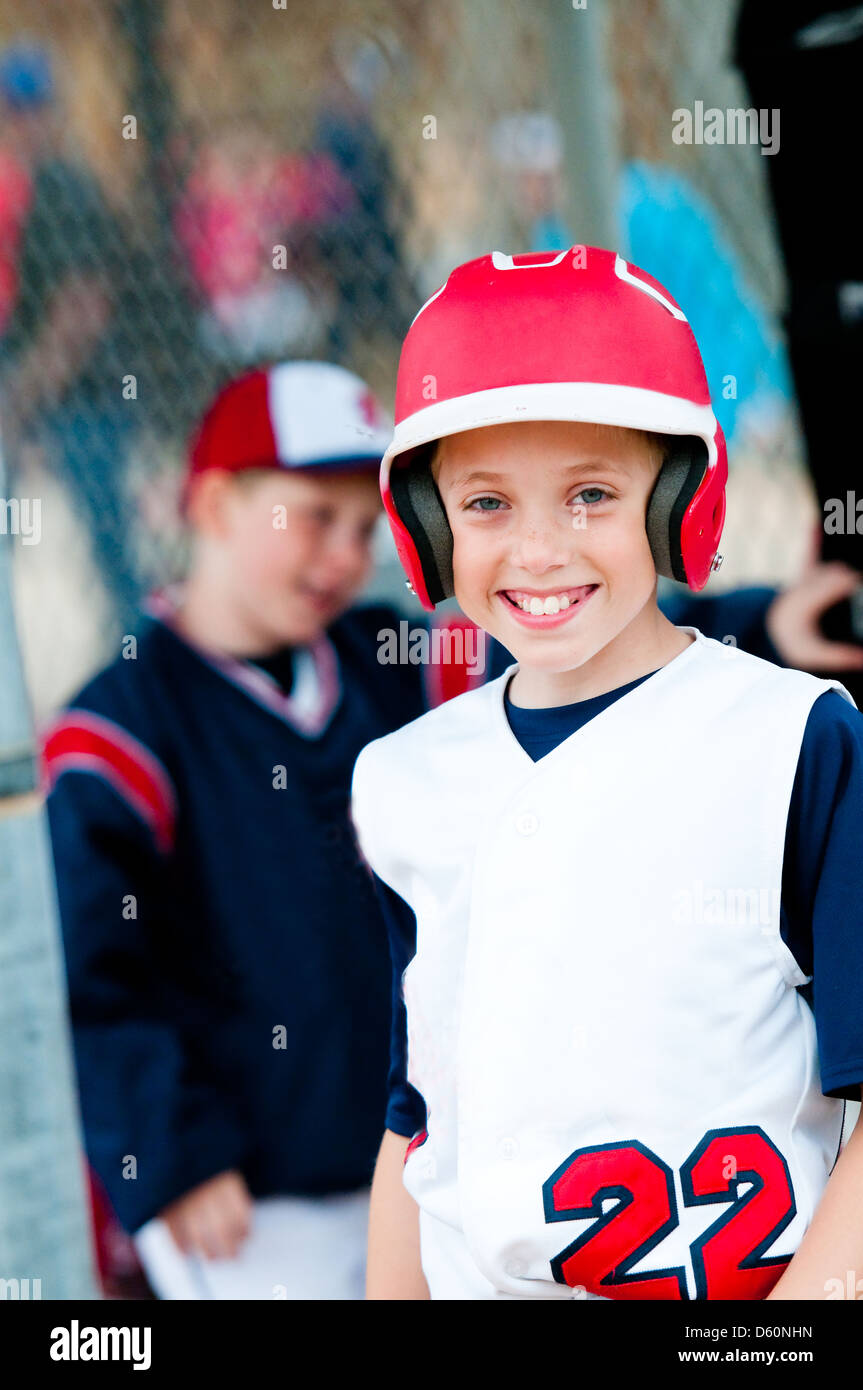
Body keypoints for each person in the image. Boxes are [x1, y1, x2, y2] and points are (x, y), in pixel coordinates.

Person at [351, 247, 863, 1300]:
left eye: (589, 493)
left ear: (682, 498)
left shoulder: (790, 742)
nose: (537, 550)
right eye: (484, 504)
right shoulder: (404, 784)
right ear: (427, 523)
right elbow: (417, 1122)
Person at [43, 360, 429, 1300]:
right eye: (312, 518)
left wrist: (760, 624)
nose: (344, 556)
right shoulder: (123, 724)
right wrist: (168, 1152)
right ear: (214, 507)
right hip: (250, 1200)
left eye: (363, 527)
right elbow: (91, 976)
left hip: (414, 1159)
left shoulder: (383, 658)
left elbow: (562, 657)